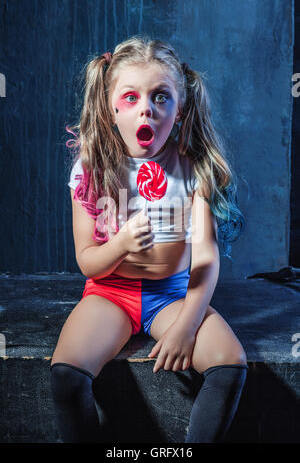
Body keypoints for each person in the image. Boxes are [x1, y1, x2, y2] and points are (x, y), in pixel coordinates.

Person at [50, 35, 248, 443]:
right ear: (110, 108)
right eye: (131, 97)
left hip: (173, 295)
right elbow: (87, 261)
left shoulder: (192, 170)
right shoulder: (91, 170)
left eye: (161, 97)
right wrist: (121, 243)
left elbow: (206, 260)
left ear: (179, 110)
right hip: (110, 293)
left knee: (230, 362)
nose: (147, 108)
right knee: (67, 376)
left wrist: (186, 326)